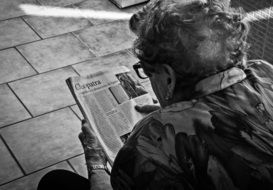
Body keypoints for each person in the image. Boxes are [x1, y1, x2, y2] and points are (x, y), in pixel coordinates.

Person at [37, 0, 273, 189]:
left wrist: (95, 160)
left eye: (147, 71)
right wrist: (179, 113)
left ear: (168, 77)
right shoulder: (265, 71)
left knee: (55, 182)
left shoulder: (149, 143)